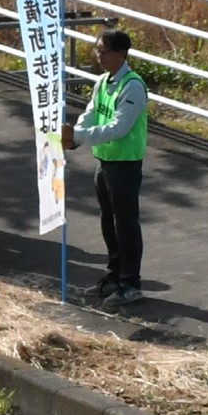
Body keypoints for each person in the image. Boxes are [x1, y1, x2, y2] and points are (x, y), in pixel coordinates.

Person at [63, 29, 147, 308]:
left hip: (125, 163)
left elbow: (118, 128)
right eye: (98, 50)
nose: (99, 56)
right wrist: (74, 135)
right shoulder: (102, 82)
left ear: (122, 53)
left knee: (125, 224)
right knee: (108, 222)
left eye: (104, 51)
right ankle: (115, 275)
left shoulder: (133, 86)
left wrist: (77, 136)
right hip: (105, 162)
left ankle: (130, 283)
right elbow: (91, 114)